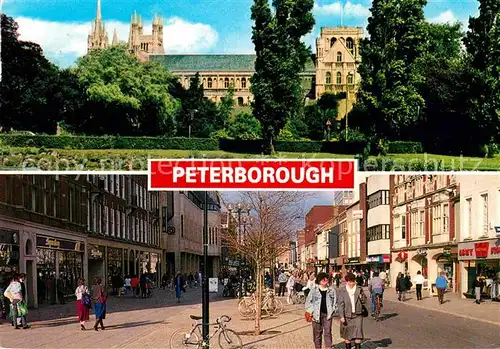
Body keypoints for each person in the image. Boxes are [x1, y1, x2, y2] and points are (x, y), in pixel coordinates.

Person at [305, 272, 338, 349]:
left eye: (326, 279)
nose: (325, 280)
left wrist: (333, 310)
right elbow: (308, 303)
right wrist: (312, 311)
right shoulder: (314, 290)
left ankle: (328, 347)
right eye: (323, 279)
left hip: (327, 315)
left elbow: (335, 302)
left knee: (328, 333)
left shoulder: (331, 290)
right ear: (319, 280)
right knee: (317, 334)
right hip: (316, 315)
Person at [338, 272, 367, 349]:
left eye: (353, 281)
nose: (352, 283)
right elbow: (340, 305)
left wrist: (362, 296)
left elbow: (364, 301)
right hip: (347, 315)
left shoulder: (359, 289)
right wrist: (341, 316)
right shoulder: (342, 291)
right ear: (347, 281)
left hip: (358, 315)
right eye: (350, 281)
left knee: (358, 334)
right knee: (347, 335)